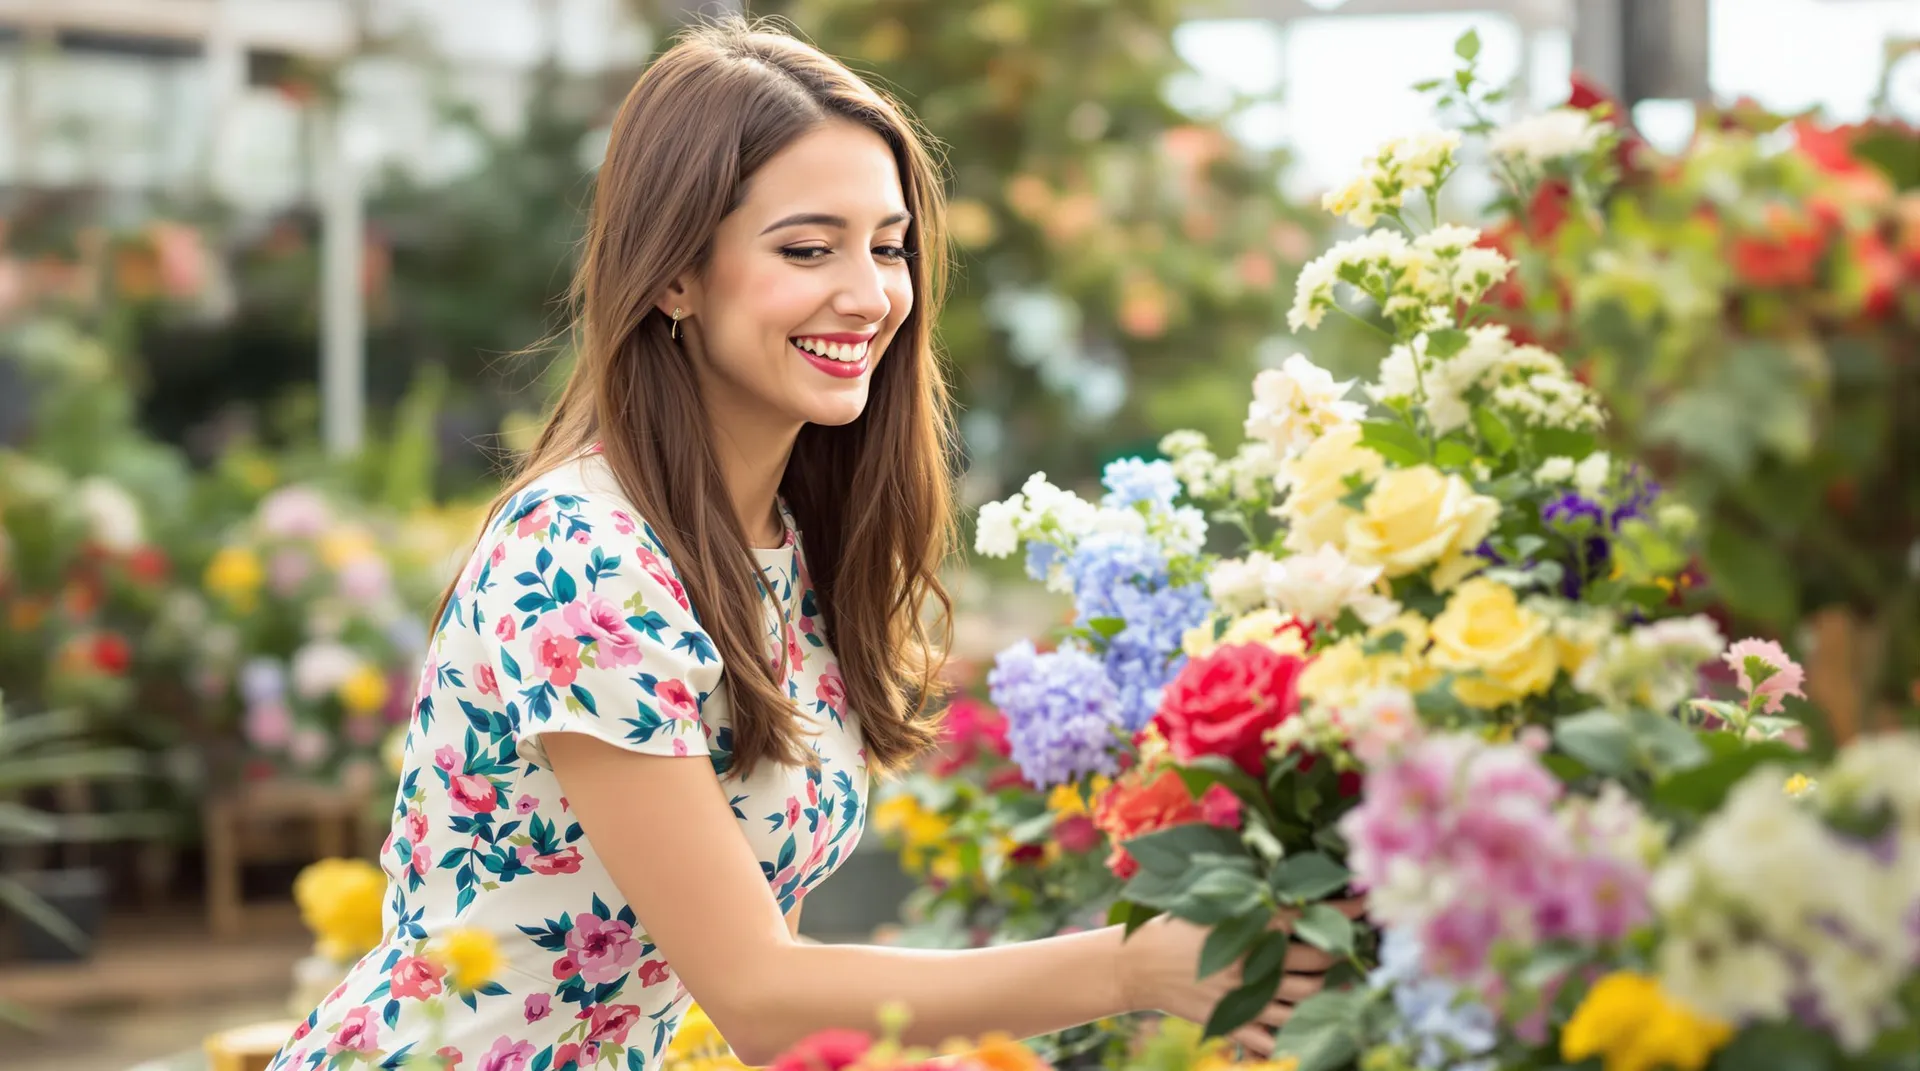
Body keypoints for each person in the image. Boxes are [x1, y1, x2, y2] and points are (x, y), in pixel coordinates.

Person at [269, 18, 1349, 1071]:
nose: (870, 295)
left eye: (888, 247)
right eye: (807, 249)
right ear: (675, 276)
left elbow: (758, 978)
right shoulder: (581, 559)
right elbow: (762, 999)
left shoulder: (785, 547)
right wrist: (1133, 967)